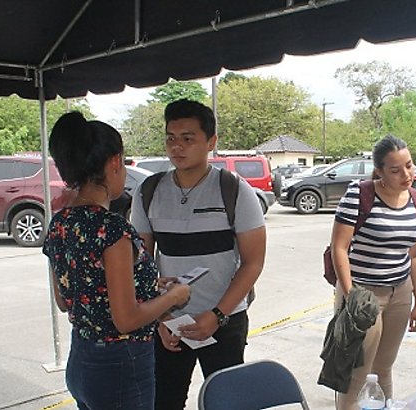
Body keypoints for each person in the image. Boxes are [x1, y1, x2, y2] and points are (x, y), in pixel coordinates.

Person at [43, 112, 191, 409]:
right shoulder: (112, 229)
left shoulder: (59, 223)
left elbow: (65, 298)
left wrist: (147, 284)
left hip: (82, 361)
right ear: (113, 162)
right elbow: (125, 319)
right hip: (121, 363)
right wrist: (174, 296)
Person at [130, 99, 266, 409]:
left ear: (211, 142)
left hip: (225, 321)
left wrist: (216, 315)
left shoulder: (234, 190)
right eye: (170, 138)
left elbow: (253, 262)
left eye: (188, 138)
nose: (176, 147)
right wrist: (161, 317)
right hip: (169, 324)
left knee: (226, 402)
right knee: (164, 401)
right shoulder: (148, 191)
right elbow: (139, 263)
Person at [329, 135, 416, 410]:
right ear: (380, 171)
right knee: (356, 372)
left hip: (400, 292)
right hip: (362, 292)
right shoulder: (359, 195)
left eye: (409, 165)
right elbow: (339, 248)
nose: (406, 174)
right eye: (395, 170)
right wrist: (351, 296)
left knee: (383, 368)